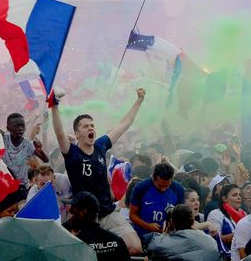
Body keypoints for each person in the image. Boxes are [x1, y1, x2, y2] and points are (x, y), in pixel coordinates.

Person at [52, 87, 145, 255]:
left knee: (135, 247)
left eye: (92, 125)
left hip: (107, 212)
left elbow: (124, 124)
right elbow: (59, 133)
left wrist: (139, 101)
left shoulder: (101, 146)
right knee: (78, 253)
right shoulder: (72, 153)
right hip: (83, 215)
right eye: (86, 126)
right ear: (77, 133)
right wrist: (54, 106)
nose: (91, 128)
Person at [64, 191, 131, 261]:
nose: (70, 215)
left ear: (83, 212)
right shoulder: (116, 240)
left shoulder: (74, 244)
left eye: (72, 211)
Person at [143, 204, 220, 260]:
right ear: (193, 221)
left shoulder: (163, 242)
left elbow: (149, 242)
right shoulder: (210, 241)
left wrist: (164, 234)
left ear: (172, 222)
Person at [130, 162, 185, 239]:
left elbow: (180, 216)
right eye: (160, 185)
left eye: (167, 186)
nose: (163, 189)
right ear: (153, 177)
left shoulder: (178, 189)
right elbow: (132, 215)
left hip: (168, 237)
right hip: (144, 236)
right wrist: (147, 226)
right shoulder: (141, 188)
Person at [1, 113, 48, 184]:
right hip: (5, 184)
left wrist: (40, 151)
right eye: (16, 126)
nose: (20, 128)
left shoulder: (27, 144)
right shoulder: (3, 139)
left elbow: (46, 160)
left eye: (22, 126)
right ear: (8, 128)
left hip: (22, 187)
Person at [207, 183, 245, 259]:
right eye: (234, 195)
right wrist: (238, 235)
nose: (239, 197)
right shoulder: (215, 214)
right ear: (224, 198)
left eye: (240, 195)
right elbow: (215, 239)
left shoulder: (243, 213)